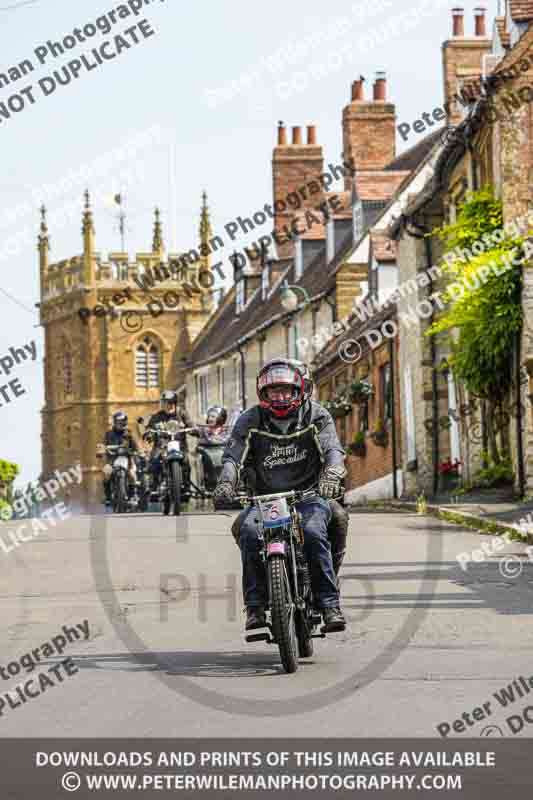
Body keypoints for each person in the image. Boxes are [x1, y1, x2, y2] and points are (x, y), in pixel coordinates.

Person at [213, 358, 347, 633]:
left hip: (309, 495)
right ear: (263, 394)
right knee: (248, 532)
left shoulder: (317, 416)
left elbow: (333, 450)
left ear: (299, 391)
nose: (281, 397)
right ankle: (255, 607)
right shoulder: (249, 420)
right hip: (263, 499)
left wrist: (332, 476)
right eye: (274, 391)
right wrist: (226, 483)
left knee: (313, 532)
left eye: (286, 391)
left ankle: (329, 604)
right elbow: (233, 457)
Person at [144, 390, 198, 492]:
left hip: (179, 446)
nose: (167, 406)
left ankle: (186, 486)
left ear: (174, 403)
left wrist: (194, 430)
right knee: (154, 462)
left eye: (169, 403)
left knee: (186, 462)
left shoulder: (182, 414)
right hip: (161, 446)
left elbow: (191, 425)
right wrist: (149, 434)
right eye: (164, 403)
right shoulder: (157, 416)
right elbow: (149, 428)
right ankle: (154, 486)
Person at [99, 411, 138, 505]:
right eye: (119, 422)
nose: (121, 424)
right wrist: (100, 450)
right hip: (112, 459)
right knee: (106, 472)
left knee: (132, 473)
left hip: (128, 459)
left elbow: (135, 446)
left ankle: (133, 495)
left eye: (123, 422)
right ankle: (108, 496)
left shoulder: (129, 433)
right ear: (115, 422)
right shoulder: (109, 434)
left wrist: (137, 451)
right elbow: (103, 445)